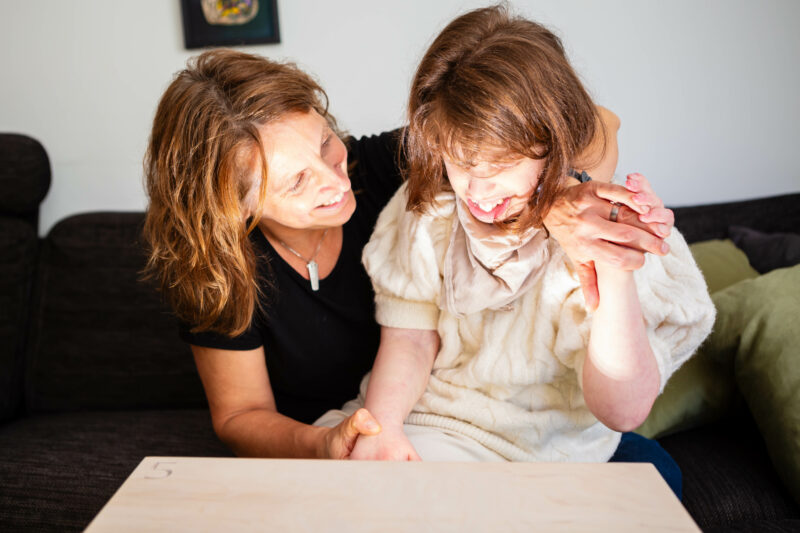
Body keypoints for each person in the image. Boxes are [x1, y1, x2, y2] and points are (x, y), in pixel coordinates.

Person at [142, 44, 670, 459]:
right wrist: (327, 445)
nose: (335, 180)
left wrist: (562, 196)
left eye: (326, 143)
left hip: (469, 414)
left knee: (652, 472)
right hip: (343, 437)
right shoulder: (214, 269)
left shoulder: (381, 169)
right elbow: (240, 418)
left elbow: (597, 119)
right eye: (298, 181)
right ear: (232, 204)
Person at [315, 6, 715, 498]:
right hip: (420, 418)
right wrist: (383, 428)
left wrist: (613, 276)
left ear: (554, 141)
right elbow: (410, 341)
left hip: (534, 453)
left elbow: (622, 411)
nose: (478, 189)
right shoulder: (431, 211)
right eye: (461, 162)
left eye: (501, 163)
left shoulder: (606, 232)